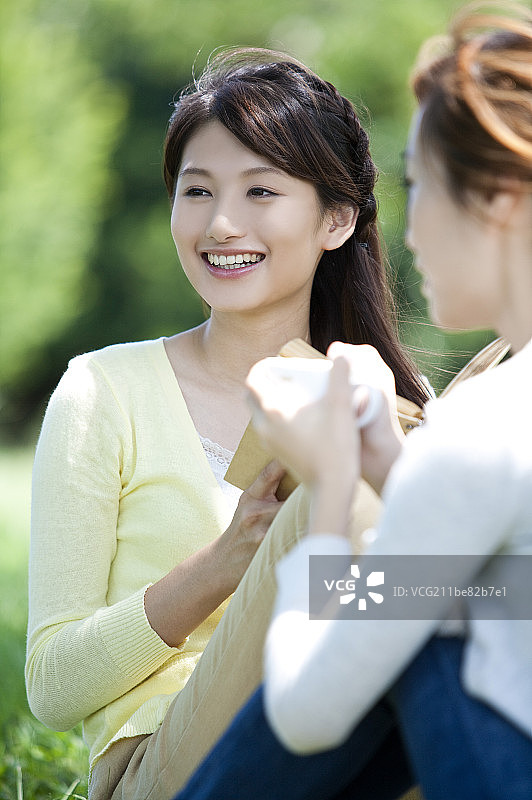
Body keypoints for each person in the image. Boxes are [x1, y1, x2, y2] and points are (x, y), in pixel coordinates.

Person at [25, 47, 428, 800]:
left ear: (336, 219)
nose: (222, 223)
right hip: (165, 768)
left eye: (262, 190)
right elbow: (51, 685)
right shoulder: (103, 390)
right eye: (198, 190)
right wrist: (229, 561)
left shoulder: (385, 404)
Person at [174, 3, 532, 799]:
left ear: (501, 198)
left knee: (417, 627)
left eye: (420, 184)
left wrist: (332, 487)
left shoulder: (488, 421)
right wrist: (386, 461)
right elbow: (511, 588)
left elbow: (307, 715)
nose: (405, 232)